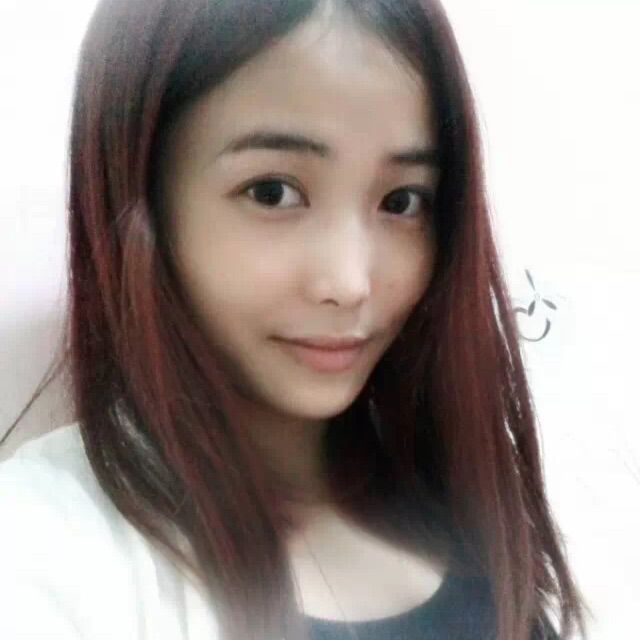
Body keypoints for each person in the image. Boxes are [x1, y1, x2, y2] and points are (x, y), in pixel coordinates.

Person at [0, 1, 591, 639]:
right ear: (140, 196)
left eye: (401, 201)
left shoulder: (453, 475)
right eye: (272, 192)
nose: (349, 283)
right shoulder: (43, 547)